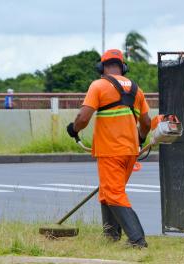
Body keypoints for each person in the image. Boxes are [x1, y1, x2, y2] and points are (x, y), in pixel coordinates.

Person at [66, 49, 151, 248]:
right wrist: (140, 139)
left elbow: (84, 117)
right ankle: (111, 235)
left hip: (111, 151)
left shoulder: (99, 85)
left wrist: (73, 129)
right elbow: (146, 122)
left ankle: (137, 240)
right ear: (123, 67)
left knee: (113, 193)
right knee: (108, 191)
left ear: (102, 67)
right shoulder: (137, 90)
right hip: (130, 152)